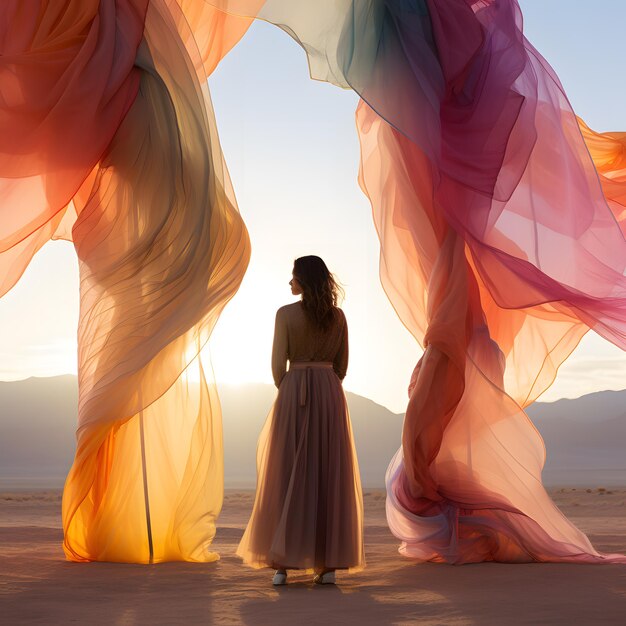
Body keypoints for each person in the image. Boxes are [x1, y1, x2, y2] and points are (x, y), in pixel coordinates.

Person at [236, 255, 365, 585]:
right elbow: (342, 365)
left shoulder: (285, 314)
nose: (289, 282)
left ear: (304, 281)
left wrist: (292, 386)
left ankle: (282, 566)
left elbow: (278, 364)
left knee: (287, 470)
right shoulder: (339, 318)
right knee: (327, 472)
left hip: (295, 391)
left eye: (293, 277)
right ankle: (328, 567)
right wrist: (324, 383)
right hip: (329, 392)